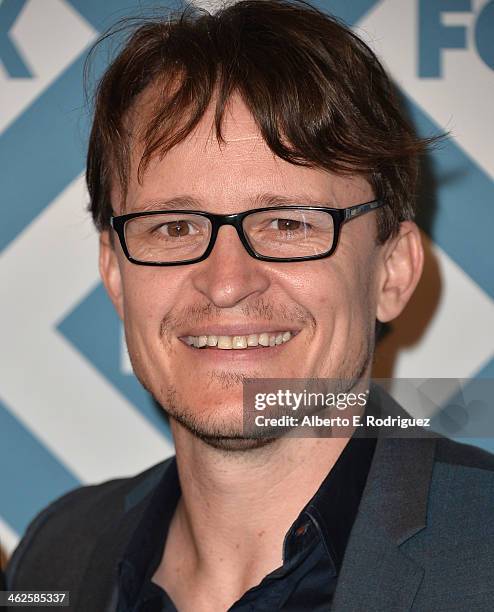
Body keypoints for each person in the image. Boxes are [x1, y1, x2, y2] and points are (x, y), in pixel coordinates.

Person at [6, 1, 494, 610]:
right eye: (174, 227)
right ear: (114, 272)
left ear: (392, 271)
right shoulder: (57, 554)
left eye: (288, 223)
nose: (228, 282)